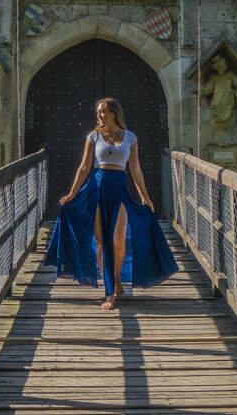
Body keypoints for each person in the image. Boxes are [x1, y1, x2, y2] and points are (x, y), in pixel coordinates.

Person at [44, 98, 178, 309]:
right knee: (101, 242)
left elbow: (135, 169)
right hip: (96, 190)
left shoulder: (131, 138)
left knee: (118, 240)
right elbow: (84, 167)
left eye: (103, 112)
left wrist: (145, 196)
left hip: (120, 190)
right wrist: (72, 194)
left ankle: (115, 278)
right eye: (98, 112)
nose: (99, 116)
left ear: (114, 113)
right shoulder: (93, 136)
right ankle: (109, 292)